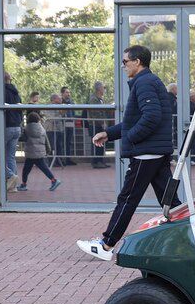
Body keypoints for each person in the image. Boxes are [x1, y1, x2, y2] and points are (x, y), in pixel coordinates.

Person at [77, 45, 178, 261]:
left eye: (125, 62)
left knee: (127, 199)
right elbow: (137, 119)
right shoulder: (148, 81)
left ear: (137, 62)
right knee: (170, 202)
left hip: (146, 154)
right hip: (155, 152)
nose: (123, 66)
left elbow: (151, 117)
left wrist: (131, 138)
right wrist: (109, 133)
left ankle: (106, 244)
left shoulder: (144, 83)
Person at [17, 112, 61, 192]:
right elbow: (46, 140)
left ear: (28, 119)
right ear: (38, 119)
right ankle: (54, 180)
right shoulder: (42, 128)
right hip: (40, 152)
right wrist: (48, 150)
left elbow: (23, 139)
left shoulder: (26, 129)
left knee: (26, 170)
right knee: (44, 168)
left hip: (30, 153)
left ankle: (24, 184)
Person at [4, 73, 23, 190]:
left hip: (7, 126)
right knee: (11, 157)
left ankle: (11, 175)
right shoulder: (16, 92)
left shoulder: (1, 91)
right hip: (17, 126)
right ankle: (14, 186)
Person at [88, 81, 111, 169]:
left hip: (100, 125)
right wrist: (102, 122)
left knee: (101, 142)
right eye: (103, 88)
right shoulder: (93, 99)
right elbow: (95, 113)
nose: (104, 89)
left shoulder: (100, 99)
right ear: (99, 89)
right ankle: (96, 162)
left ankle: (100, 161)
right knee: (96, 143)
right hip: (95, 125)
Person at [59, 87, 78, 166]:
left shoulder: (71, 102)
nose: (68, 94)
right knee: (62, 142)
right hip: (62, 124)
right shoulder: (60, 102)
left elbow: (73, 112)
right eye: (67, 92)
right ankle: (61, 159)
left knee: (69, 142)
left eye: (69, 92)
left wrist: (73, 119)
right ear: (62, 93)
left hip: (70, 124)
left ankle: (68, 159)